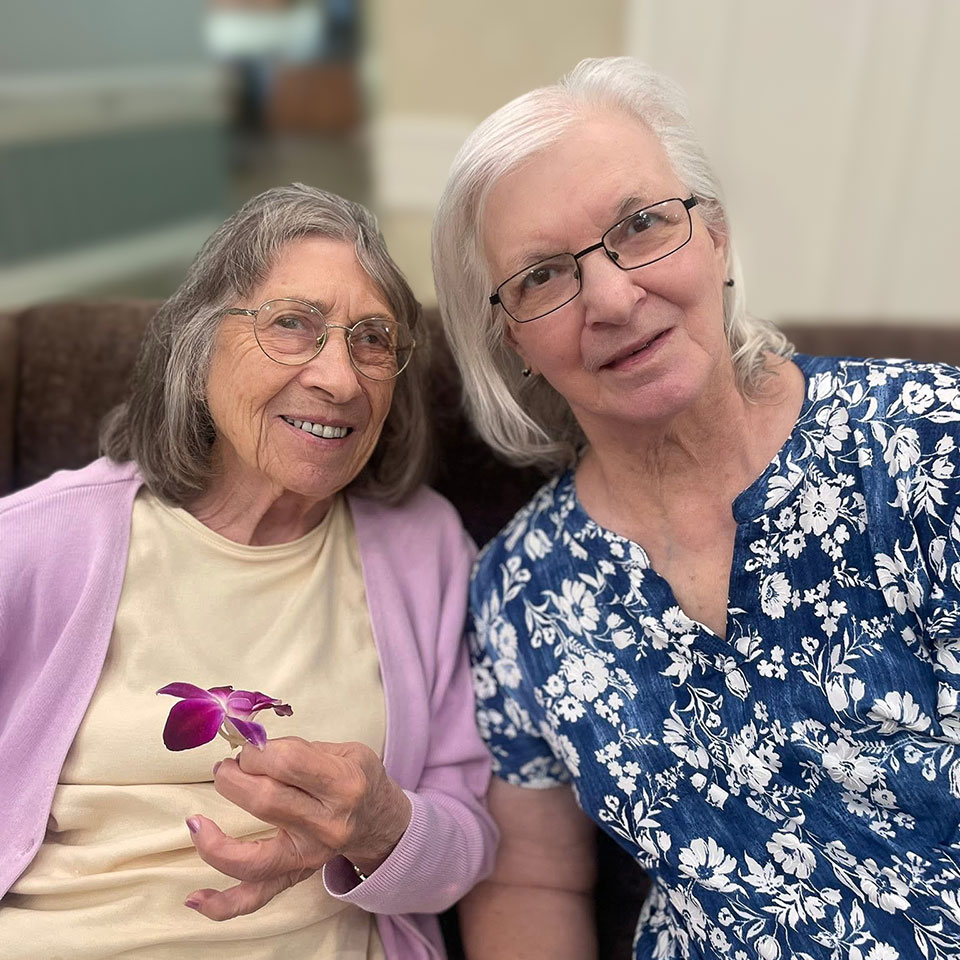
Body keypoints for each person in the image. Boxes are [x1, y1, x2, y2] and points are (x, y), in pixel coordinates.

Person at [432, 57, 960, 959]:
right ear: (511, 339)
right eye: (542, 278)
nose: (610, 297)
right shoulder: (519, 589)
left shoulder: (926, 446)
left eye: (641, 226)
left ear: (714, 236)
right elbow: (533, 879)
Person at [0, 183, 496, 959]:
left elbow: (465, 845)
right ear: (197, 349)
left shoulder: (425, 551)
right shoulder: (37, 543)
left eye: (372, 339)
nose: (340, 378)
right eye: (292, 324)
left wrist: (383, 828)